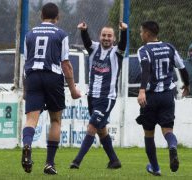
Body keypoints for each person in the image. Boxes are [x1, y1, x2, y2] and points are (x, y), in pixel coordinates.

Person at [21, 2, 81, 175]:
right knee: (55, 120)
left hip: (32, 76)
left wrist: (25, 89)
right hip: (52, 76)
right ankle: (49, 163)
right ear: (58, 17)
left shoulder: (29, 34)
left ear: (41, 16)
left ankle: (27, 144)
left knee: (31, 120)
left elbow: (25, 63)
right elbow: (66, 64)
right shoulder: (61, 34)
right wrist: (73, 90)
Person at [69, 21, 127, 169]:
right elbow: (87, 42)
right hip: (92, 97)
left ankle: (77, 161)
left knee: (92, 127)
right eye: (104, 35)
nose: (106, 38)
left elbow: (123, 45)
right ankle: (114, 160)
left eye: (109, 36)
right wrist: (84, 30)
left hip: (106, 98)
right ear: (100, 36)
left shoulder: (116, 52)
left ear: (113, 39)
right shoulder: (94, 48)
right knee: (101, 131)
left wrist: (124, 32)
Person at [136, 20, 190, 176]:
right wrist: (187, 85)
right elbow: (182, 68)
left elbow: (146, 69)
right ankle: (172, 147)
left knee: (149, 133)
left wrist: (141, 91)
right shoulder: (169, 48)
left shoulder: (143, 50)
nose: (140, 34)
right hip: (167, 96)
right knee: (168, 130)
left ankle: (155, 167)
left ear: (147, 33)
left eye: (141, 32)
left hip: (151, 97)